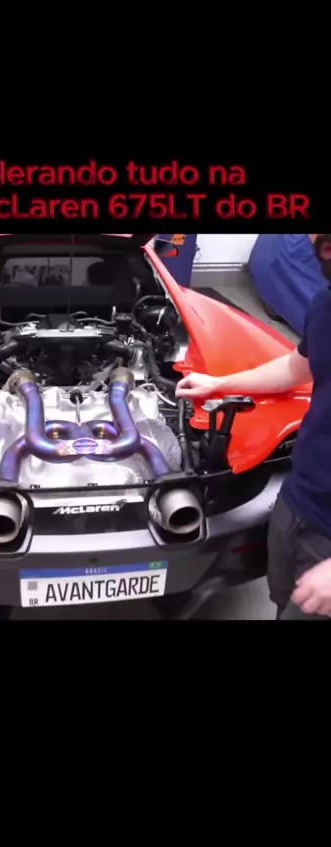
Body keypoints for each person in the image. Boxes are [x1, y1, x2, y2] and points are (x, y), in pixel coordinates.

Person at [176, 234, 331, 620]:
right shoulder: (326, 304)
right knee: (281, 598)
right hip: (298, 501)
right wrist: (219, 383)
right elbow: (296, 367)